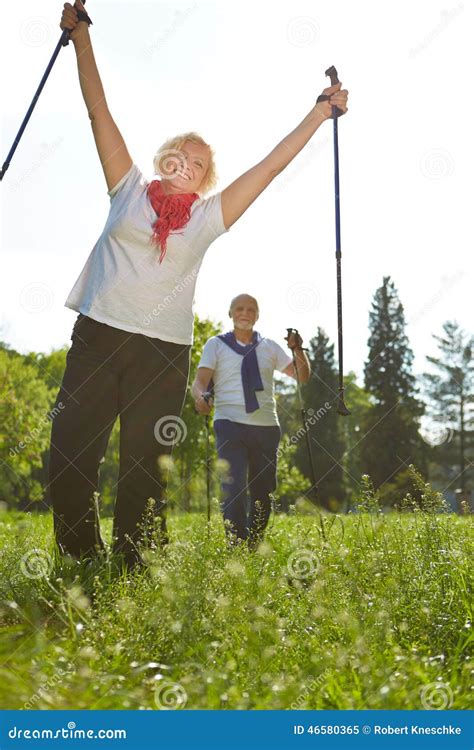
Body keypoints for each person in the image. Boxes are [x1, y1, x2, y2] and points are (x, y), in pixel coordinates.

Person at [49, 0, 348, 567]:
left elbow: (269, 167)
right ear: (163, 160)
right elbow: (97, 110)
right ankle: (82, 563)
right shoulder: (128, 188)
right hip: (98, 337)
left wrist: (318, 115)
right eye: (179, 155)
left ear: (206, 179)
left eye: (199, 162)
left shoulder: (208, 218)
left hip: (162, 354)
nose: (187, 162)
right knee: (68, 458)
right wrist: (81, 36)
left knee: (142, 471)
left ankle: (132, 572)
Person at [191, 295, 310, 548]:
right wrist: (200, 397)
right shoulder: (216, 344)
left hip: (266, 427)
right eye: (239, 309)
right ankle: (237, 545)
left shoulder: (269, 346)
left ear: (257, 315)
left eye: (251, 309)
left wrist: (297, 348)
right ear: (230, 313)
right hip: (229, 423)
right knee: (232, 487)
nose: (245, 313)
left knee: (263, 492)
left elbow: (301, 376)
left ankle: (254, 544)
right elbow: (200, 381)